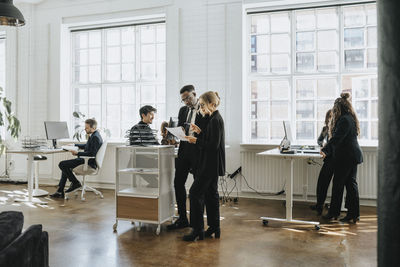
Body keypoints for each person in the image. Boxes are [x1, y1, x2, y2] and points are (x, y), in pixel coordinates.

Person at [184, 91, 225, 241]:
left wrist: (196, 140)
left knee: (194, 193)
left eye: (202, 105)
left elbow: (212, 146)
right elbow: (211, 139)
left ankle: (197, 230)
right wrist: (200, 132)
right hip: (211, 165)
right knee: (211, 195)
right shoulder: (213, 118)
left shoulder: (215, 120)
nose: (200, 108)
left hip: (209, 165)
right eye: (200, 105)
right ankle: (214, 227)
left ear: (212, 104)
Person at [321, 92, 363, 223]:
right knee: (351, 185)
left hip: (346, 157)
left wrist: (325, 150)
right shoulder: (350, 117)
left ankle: (334, 213)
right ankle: (353, 214)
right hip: (351, 156)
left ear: (338, 108)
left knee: (338, 185)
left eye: (334, 110)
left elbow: (337, 138)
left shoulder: (344, 119)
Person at [167, 85, 204, 230]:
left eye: (188, 98)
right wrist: (176, 134)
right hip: (184, 150)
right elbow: (182, 128)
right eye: (183, 100)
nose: (186, 102)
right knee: (178, 183)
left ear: (195, 94)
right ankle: (182, 219)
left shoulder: (203, 108)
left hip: (198, 150)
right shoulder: (183, 110)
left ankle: (197, 222)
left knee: (197, 188)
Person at [50, 118, 103, 198]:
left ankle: (75, 183)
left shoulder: (95, 137)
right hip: (86, 160)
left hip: (88, 162)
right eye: (85, 127)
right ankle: (60, 191)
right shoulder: (94, 135)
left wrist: (77, 153)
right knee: (65, 166)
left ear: (93, 128)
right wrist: (74, 145)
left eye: (87, 128)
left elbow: (92, 153)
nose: (85, 129)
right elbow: (87, 146)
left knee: (62, 164)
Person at [310, 109, 334, 215]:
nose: (330, 119)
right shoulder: (325, 129)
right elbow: (319, 140)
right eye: (328, 116)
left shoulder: (336, 128)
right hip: (328, 156)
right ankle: (319, 205)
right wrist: (322, 145)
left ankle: (323, 206)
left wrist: (326, 148)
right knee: (321, 182)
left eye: (331, 116)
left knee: (326, 181)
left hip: (334, 157)